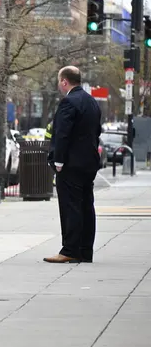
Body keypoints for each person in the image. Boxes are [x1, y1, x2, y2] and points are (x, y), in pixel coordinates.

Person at [44, 66, 102, 264]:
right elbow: (97, 132)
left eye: (59, 81)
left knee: (70, 206)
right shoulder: (91, 101)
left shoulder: (69, 102)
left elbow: (62, 133)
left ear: (64, 81)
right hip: (89, 164)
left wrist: (58, 161)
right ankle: (85, 251)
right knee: (87, 206)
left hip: (71, 164)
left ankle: (69, 249)